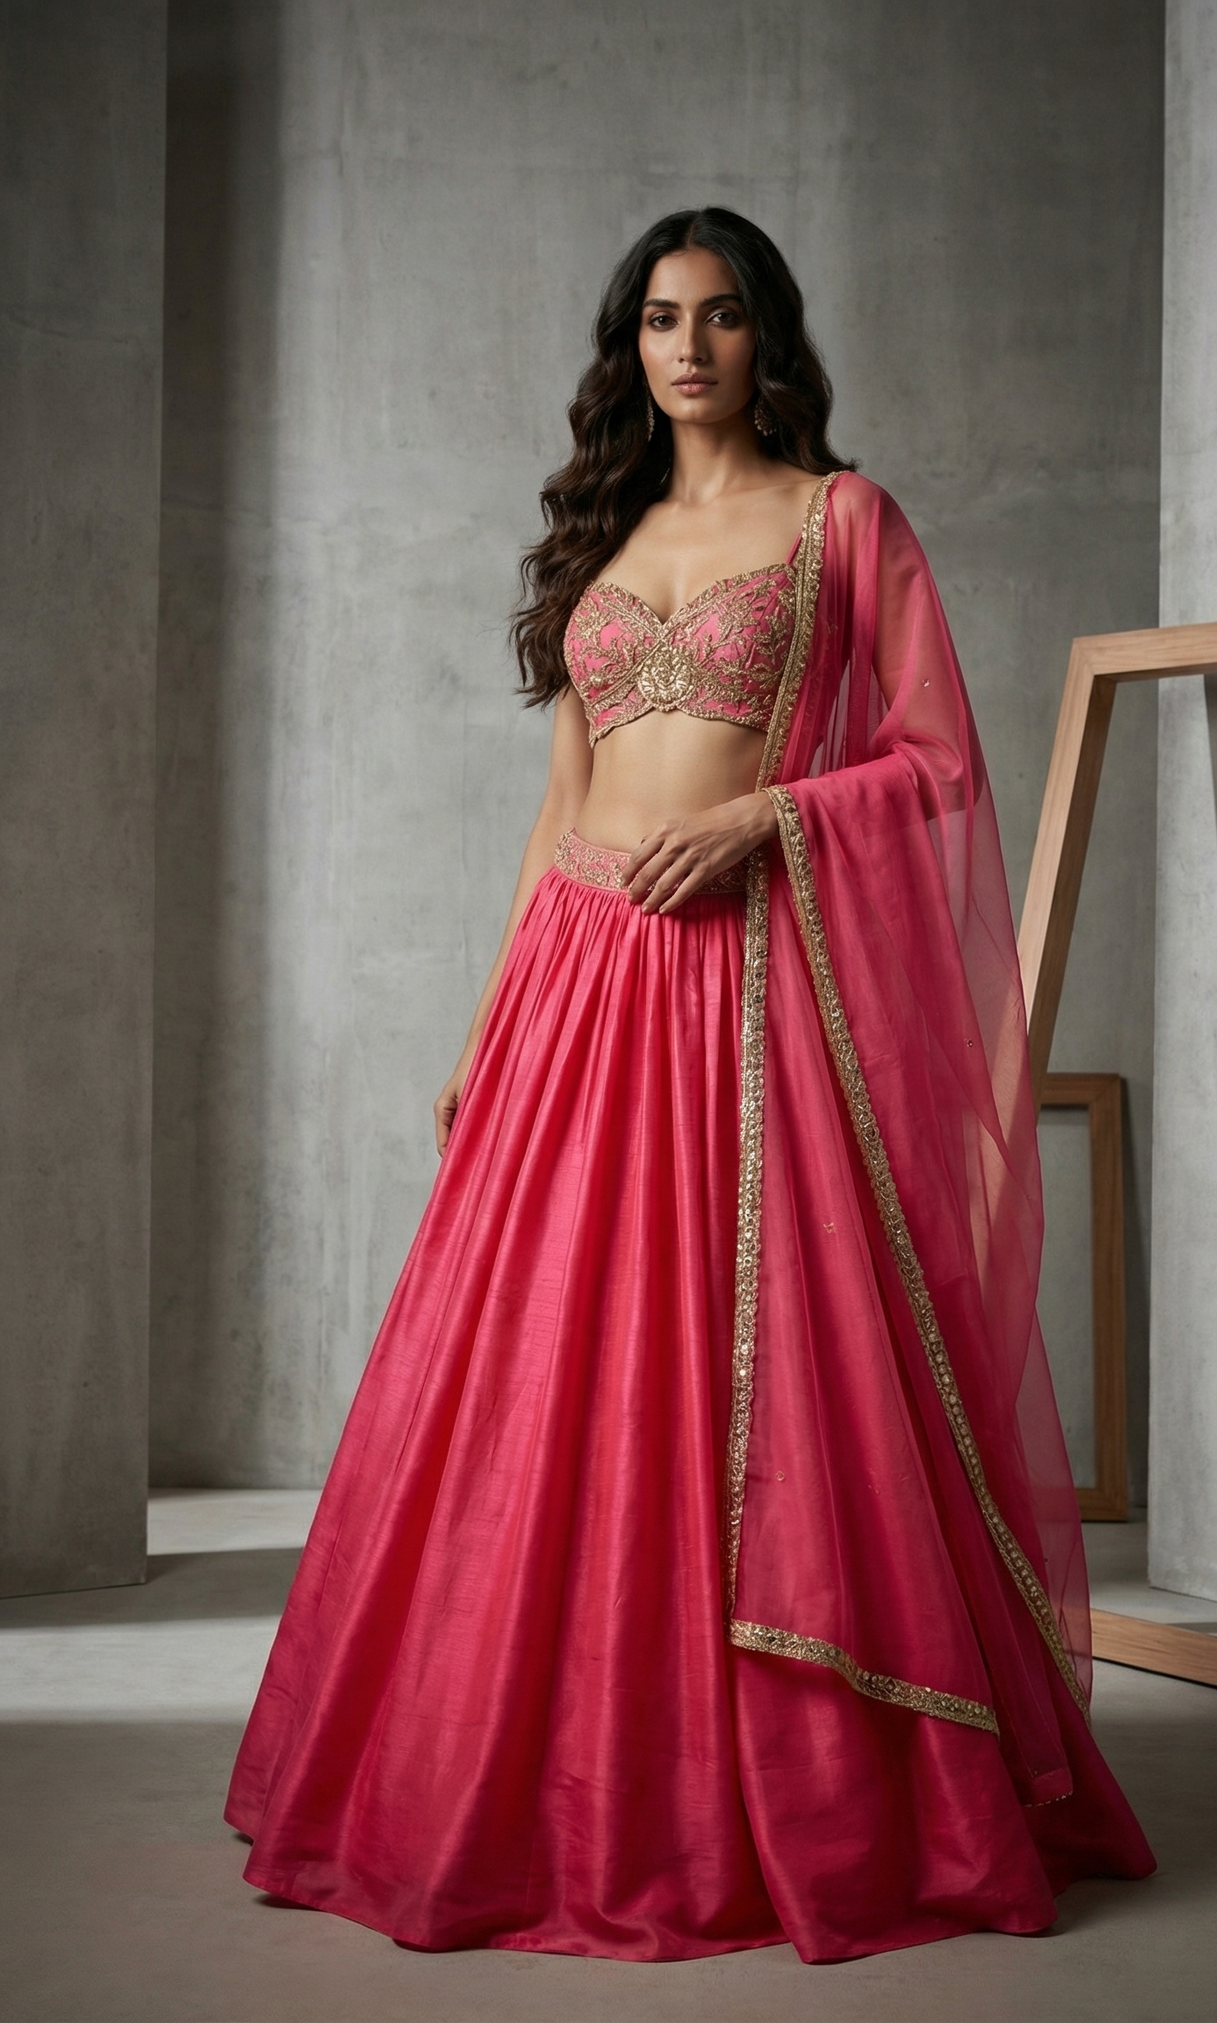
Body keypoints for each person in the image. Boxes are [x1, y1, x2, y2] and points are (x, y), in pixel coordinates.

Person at [227, 206, 1154, 1963]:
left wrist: (768, 818)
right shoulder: (607, 537)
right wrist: (488, 1018)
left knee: (772, 1389)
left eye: (722, 316)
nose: (691, 346)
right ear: (628, 345)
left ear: (769, 335)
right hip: (580, 993)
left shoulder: (844, 521)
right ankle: (565, 1777)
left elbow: (940, 761)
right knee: (544, 1394)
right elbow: (559, 811)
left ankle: (788, 1785)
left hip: (747, 1002)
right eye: (660, 318)